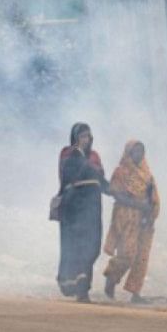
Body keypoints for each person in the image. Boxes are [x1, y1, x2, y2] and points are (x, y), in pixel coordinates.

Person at [103, 140, 160, 304]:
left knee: (141, 256)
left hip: (143, 219)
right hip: (125, 217)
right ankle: (111, 278)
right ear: (128, 152)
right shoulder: (121, 172)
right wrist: (137, 204)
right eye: (136, 151)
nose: (139, 154)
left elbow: (152, 197)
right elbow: (117, 194)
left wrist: (149, 212)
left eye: (142, 151)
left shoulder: (147, 175)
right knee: (127, 253)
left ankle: (135, 293)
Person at [57, 122, 109, 303]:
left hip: (93, 206)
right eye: (82, 136)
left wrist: (117, 192)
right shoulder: (68, 154)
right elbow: (68, 177)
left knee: (92, 246)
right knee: (76, 246)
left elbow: (100, 180)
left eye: (88, 136)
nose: (85, 140)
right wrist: (79, 155)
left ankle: (81, 286)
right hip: (74, 206)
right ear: (75, 138)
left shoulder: (94, 156)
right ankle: (81, 289)